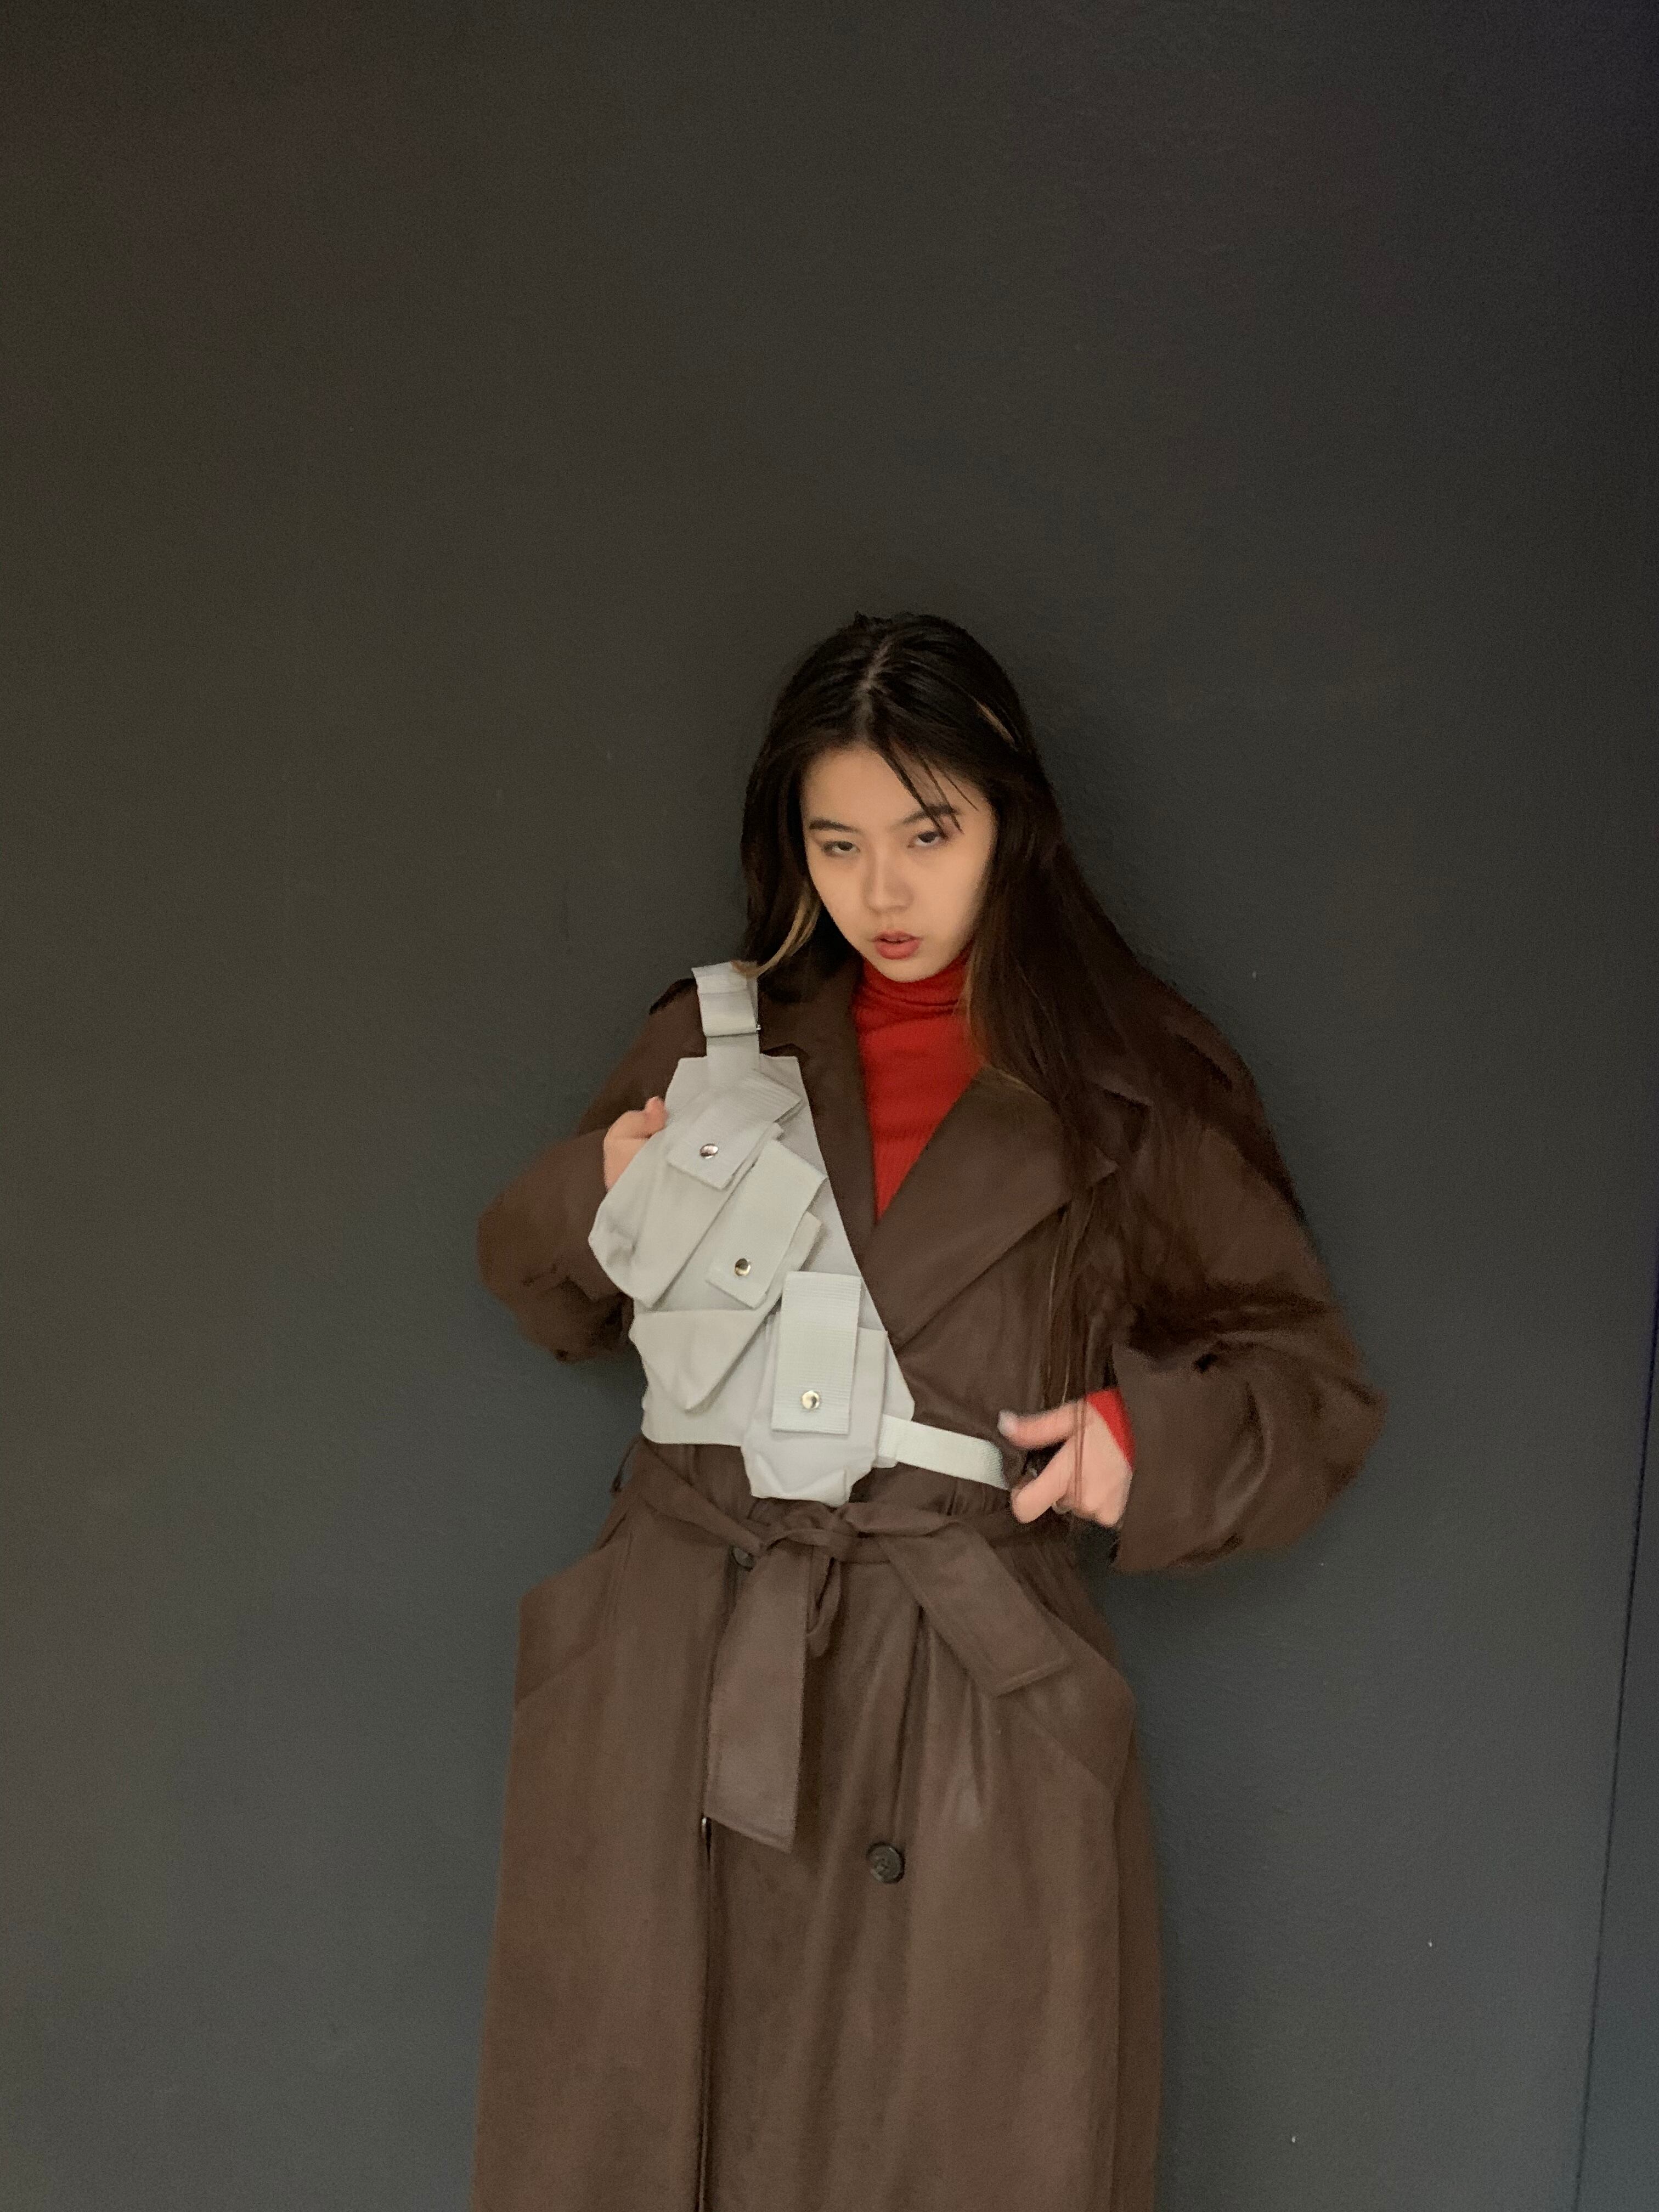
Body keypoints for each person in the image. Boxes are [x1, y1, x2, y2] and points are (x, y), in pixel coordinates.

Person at [467, 612, 1386, 2212]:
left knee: (944, 2143)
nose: (881, 892)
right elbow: (545, 1294)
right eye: (837, 844)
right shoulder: (719, 1041)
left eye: (926, 835)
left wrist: (1140, 1447)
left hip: (960, 1690)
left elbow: (1307, 1385)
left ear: (1010, 825)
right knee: (639, 2131)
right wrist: (595, 1186)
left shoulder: (1131, 1086)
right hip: (679, 1664)